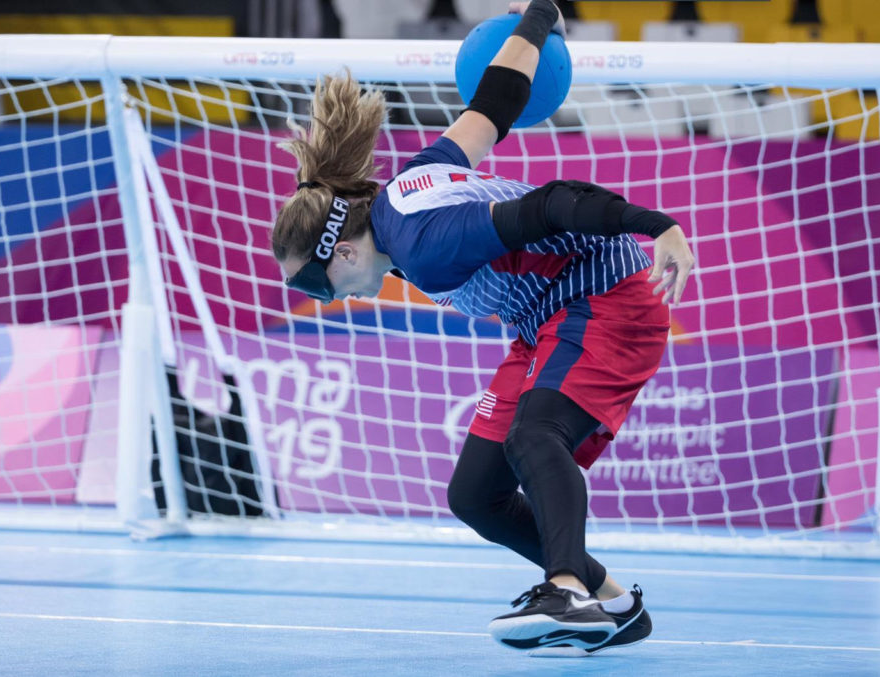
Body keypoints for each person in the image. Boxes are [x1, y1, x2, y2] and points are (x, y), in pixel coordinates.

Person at [271, 0, 694, 655]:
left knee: (535, 432)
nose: (320, 298)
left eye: (314, 283)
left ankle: (565, 590)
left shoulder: (426, 245)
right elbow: (496, 102)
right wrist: (539, 20)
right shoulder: (405, 187)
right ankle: (613, 601)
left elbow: (553, 204)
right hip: (544, 315)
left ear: (346, 253)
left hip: (607, 296)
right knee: (477, 492)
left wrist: (657, 225)